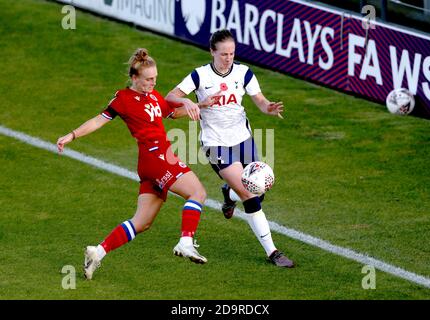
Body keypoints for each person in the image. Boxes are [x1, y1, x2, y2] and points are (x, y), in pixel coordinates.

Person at [57, 48, 208, 280]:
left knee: (142, 222)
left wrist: (202, 105)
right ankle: (185, 242)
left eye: (155, 78)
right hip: (157, 158)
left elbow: (170, 114)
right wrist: (72, 135)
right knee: (197, 192)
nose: (153, 82)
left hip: (149, 164)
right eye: (148, 79)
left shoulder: (155, 96)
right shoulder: (123, 99)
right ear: (134, 77)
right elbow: (99, 120)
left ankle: (97, 252)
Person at [165, 29, 295, 268]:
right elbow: (170, 97)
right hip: (215, 143)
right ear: (212, 52)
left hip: (243, 139)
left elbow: (261, 102)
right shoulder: (200, 76)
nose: (228, 58)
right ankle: (273, 252)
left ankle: (228, 194)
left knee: (259, 189)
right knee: (250, 195)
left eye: (232, 53)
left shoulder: (244, 73)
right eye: (223, 54)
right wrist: (188, 101)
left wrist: (270, 108)